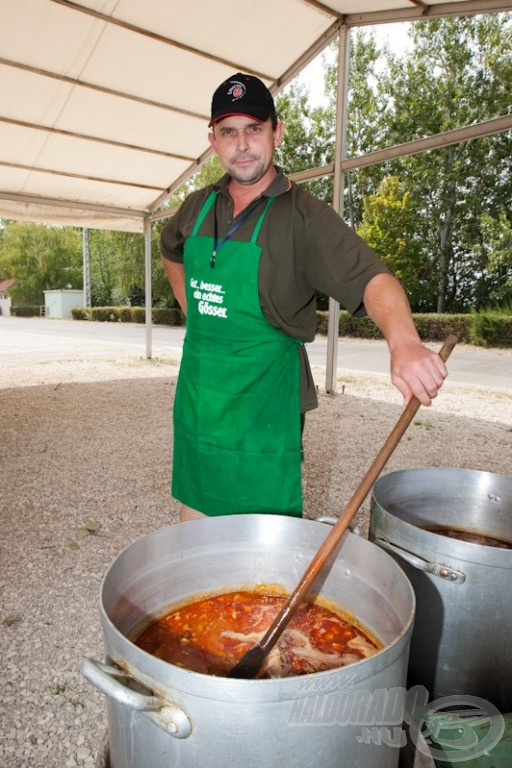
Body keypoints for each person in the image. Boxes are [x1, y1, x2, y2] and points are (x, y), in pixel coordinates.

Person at [160, 72, 447, 523]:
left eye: (254, 128)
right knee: (195, 531)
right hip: (199, 392)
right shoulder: (195, 206)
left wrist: (404, 342)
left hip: (263, 399)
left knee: (259, 539)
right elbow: (170, 248)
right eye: (229, 132)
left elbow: (374, 279)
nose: (242, 145)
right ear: (212, 140)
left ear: (277, 131)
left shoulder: (305, 217)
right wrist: (192, 308)